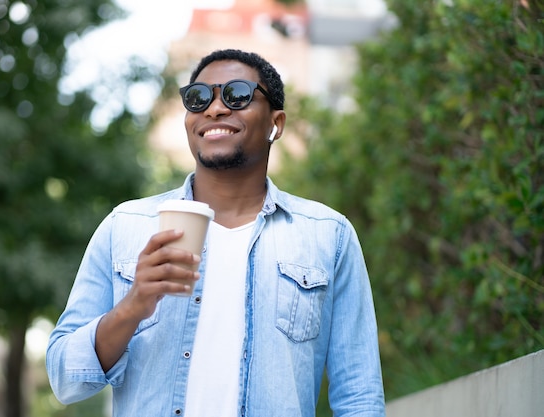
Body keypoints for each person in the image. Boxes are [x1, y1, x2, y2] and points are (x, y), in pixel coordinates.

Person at [46, 48, 385, 417]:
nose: (215, 109)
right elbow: (66, 378)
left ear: (277, 122)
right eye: (198, 98)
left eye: (237, 95)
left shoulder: (328, 236)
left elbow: (359, 396)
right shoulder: (126, 226)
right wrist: (132, 307)